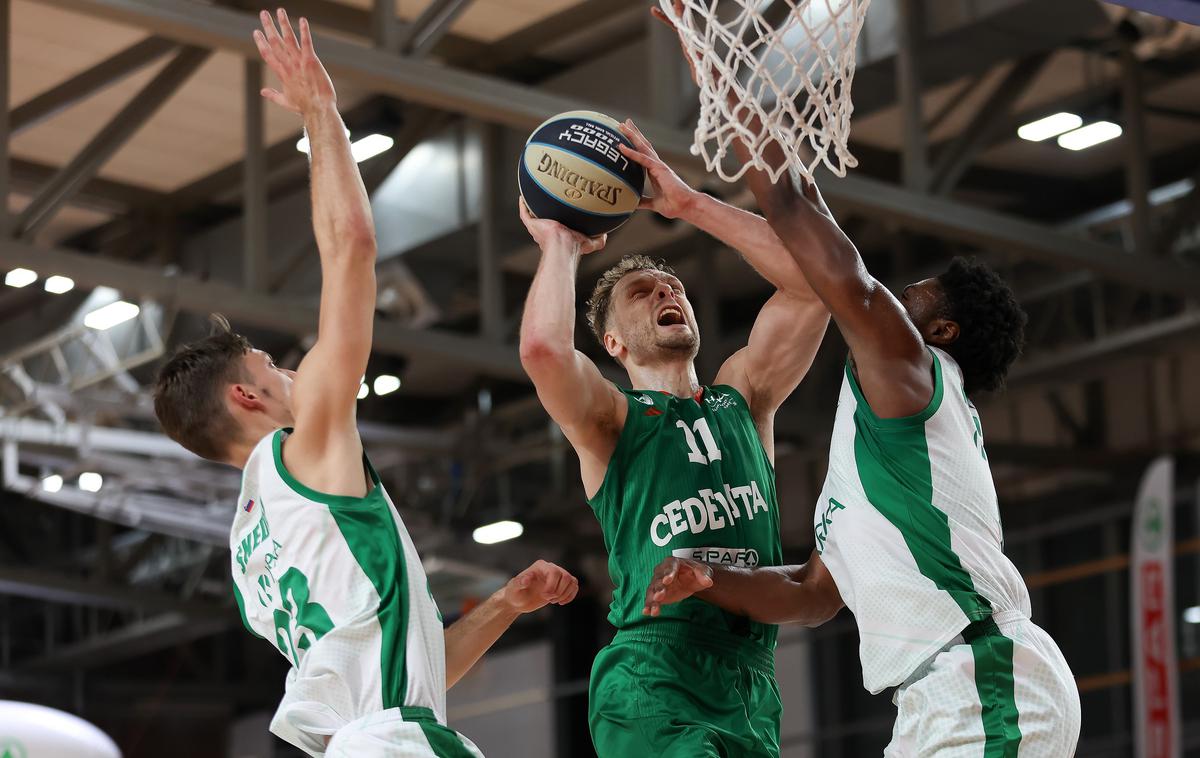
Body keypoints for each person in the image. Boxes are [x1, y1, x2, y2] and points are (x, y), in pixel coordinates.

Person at [643, 10, 1081, 755]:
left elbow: (795, 213)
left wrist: (717, 73)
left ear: (941, 335)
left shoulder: (912, 372)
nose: (903, 288)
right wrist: (709, 578)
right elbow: (813, 597)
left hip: (981, 678)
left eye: (924, 292)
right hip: (940, 693)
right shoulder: (886, 441)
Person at [153, 10, 578, 756]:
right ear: (246, 398)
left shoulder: (252, 553)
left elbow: (408, 681)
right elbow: (351, 249)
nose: (295, 373)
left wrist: (507, 604)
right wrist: (322, 115)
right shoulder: (300, 451)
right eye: (274, 369)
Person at [517, 102, 829, 753]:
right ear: (613, 343)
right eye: (643, 292)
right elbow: (545, 353)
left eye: (673, 286)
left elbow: (816, 283)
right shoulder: (612, 420)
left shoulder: (744, 397)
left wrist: (691, 205)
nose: (666, 293)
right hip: (654, 677)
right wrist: (561, 244)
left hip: (751, 684)